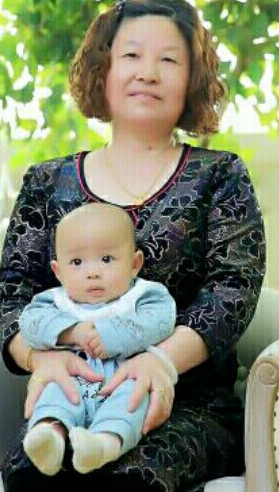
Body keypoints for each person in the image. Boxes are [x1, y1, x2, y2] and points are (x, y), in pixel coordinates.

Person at [0, 0, 266, 492]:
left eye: (169, 59)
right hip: (70, 392)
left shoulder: (220, 176)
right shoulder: (49, 182)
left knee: (132, 481)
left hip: (186, 402)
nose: (148, 71)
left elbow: (233, 290)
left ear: (192, 80)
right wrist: (40, 358)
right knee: (36, 477)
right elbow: (10, 295)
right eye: (132, 55)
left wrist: (161, 362)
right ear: (103, 72)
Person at [18, 202, 177, 476]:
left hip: (125, 376)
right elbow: (29, 324)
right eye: (77, 263)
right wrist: (71, 332)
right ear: (58, 271)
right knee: (56, 393)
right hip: (75, 376)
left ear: (134, 264)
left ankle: (103, 445)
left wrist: (111, 336)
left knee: (132, 401)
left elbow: (161, 321)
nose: (92, 272)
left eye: (106, 259)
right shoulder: (55, 301)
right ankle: (49, 435)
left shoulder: (142, 296)